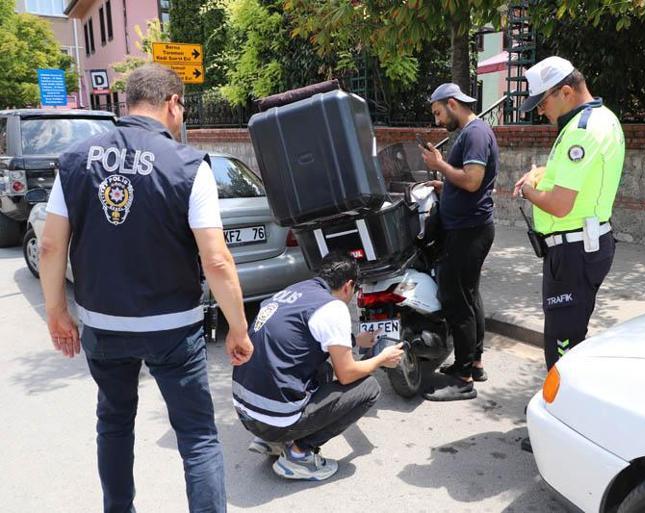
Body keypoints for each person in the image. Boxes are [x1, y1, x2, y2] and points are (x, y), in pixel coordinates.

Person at [39, 63, 253, 513]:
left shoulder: (77, 160)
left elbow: (52, 245)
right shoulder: (190, 164)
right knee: (197, 438)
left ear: (127, 102)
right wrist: (238, 327)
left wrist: (57, 312)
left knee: (114, 424)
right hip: (173, 329)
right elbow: (216, 259)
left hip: (103, 325)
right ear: (173, 103)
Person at [232, 253, 404, 481]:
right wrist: (381, 358)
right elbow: (347, 375)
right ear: (348, 285)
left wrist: (354, 340)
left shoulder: (295, 291)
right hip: (271, 419)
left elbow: (300, 338)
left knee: (323, 369)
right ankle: (299, 454)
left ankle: (272, 440)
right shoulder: (333, 307)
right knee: (369, 388)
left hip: (245, 411)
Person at [513, 56, 625, 370]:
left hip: (573, 250)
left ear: (565, 92)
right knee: (571, 332)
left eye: (541, 102)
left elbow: (560, 205)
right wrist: (543, 174)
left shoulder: (581, 131)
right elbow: (582, 173)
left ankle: (559, 406)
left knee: (562, 339)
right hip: (583, 245)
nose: (539, 110)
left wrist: (528, 191)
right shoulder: (602, 118)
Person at [419, 83, 498, 401]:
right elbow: (463, 179)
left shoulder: (475, 134)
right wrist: (445, 184)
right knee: (469, 295)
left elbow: (473, 179)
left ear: (452, 103)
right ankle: (474, 363)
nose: (438, 121)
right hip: (470, 227)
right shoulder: (472, 133)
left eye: (438, 112)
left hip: (469, 231)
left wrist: (440, 166)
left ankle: (464, 378)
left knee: (456, 299)